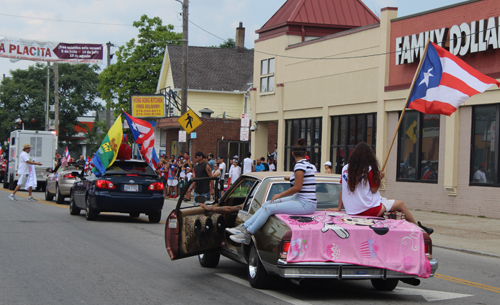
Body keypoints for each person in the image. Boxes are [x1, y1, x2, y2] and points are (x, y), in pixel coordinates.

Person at [227, 138, 317, 245]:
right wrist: (289, 178)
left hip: (305, 203)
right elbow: (301, 178)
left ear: (292, 154)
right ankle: (244, 227)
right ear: (305, 153)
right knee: (267, 203)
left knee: (269, 208)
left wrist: (280, 195)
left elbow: (297, 187)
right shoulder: (308, 165)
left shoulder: (299, 166)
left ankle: (247, 234)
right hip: (303, 200)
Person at [332, 142, 433, 235]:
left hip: (351, 210)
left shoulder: (345, 168)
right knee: (400, 204)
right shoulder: (369, 169)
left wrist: (339, 208)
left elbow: (343, 189)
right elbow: (374, 190)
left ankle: (416, 226)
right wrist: (379, 178)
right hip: (368, 209)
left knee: (385, 200)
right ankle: (419, 227)